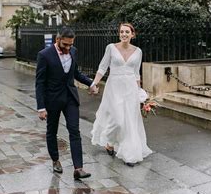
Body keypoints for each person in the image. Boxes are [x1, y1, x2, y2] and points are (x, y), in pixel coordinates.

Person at [35, 28, 98, 180]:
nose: (69, 48)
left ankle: (78, 168)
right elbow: (40, 82)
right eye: (65, 45)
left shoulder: (73, 51)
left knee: (74, 131)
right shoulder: (44, 55)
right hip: (52, 99)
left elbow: (76, 73)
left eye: (71, 45)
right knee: (52, 131)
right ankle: (55, 160)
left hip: (70, 97)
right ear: (58, 40)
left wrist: (91, 83)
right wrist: (41, 107)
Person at [90, 23, 152, 166]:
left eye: (127, 32)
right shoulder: (111, 48)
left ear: (132, 34)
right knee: (117, 120)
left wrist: (140, 93)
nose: (124, 34)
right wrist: (95, 83)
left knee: (129, 121)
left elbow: (137, 73)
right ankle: (110, 142)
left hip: (130, 89)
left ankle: (129, 154)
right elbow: (102, 67)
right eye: (122, 32)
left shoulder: (138, 51)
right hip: (114, 88)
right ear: (119, 34)